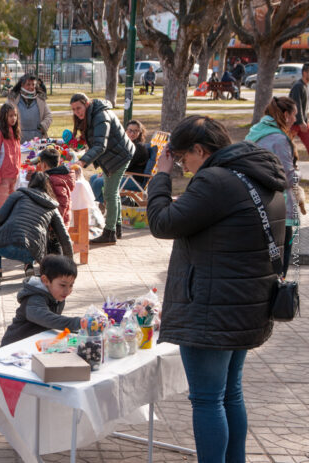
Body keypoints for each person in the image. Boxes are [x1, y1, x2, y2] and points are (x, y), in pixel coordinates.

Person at [147, 116, 285, 463]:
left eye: (183, 158)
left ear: (200, 149)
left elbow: (161, 223)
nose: (183, 166)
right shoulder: (257, 172)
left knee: (208, 399)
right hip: (247, 304)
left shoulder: (215, 180)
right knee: (229, 394)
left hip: (212, 309)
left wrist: (161, 176)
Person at [0, 254, 80, 444]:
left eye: (71, 285)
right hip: (13, 349)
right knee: (4, 391)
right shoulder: (34, 298)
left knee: (30, 391)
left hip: (34, 349)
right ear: (45, 280)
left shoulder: (56, 295)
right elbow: (45, 318)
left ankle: (27, 425)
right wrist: (77, 323)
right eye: (63, 285)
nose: (67, 290)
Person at [246, 96, 300, 276]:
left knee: (262, 262)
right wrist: (298, 177)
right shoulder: (279, 139)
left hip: (255, 202)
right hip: (280, 208)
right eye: (294, 115)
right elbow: (288, 178)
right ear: (285, 115)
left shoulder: (255, 133)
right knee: (280, 265)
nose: (295, 120)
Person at [0, 171, 73, 280]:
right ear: (48, 186)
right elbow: (65, 238)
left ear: (30, 183)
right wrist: (70, 265)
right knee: (33, 233)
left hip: (4, 247)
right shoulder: (52, 206)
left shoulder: (18, 194)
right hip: (33, 253)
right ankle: (28, 264)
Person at [73, 93, 134, 244]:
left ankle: (110, 232)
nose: (77, 112)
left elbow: (100, 145)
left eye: (79, 108)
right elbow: (95, 139)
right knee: (112, 192)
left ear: (87, 104)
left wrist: (82, 162)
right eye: (74, 109)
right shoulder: (92, 114)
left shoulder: (101, 115)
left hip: (120, 156)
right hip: (113, 156)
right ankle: (116, 227)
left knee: (109, 193)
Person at [89, 119, 152, 205]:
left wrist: (107, 173)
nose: (132, 133)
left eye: (136, 131)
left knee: (98, 182)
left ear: (140, 133)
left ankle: (102, 206)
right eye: (130, 130)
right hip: (125, 176)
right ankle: (102, 203)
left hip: (134, 180)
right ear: (125, 131)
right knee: (93, 178)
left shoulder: (139, 147)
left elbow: (124, 165)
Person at [0, 103, 22, 210]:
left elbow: (17, 154)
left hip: (13, 175)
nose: (13, 118)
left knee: (12, 207)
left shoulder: (15, 132)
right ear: (4, 116)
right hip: (2, 177)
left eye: (15, 115)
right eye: (10, 116)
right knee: (2, 207)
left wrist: (18, 171)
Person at [32, 147, 75, 225]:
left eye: (40, 163)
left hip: (56, 225)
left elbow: (61, 204)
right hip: (58, 221)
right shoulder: (61, 176)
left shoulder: (53, 180)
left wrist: (55, 226)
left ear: (44, 165)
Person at [6, 74, 53, 142]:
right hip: (17, 139)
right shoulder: (13, 99)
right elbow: (5, 114)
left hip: (37, 140)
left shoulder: (40, 99)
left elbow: (48, 115)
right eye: (28, 84)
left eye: (33, 84)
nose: (31, 87)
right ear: (22, 84)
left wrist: (43, 126)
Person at [289, 62, 309, 154]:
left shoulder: (305, 86)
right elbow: (296, 105)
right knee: (285, 144)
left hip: (302, 122)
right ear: (305, 73)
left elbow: (304, 106)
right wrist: (301, 122)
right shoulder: (298, 86)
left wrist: (305, 120)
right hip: (294, 123)